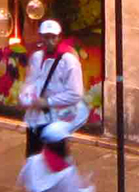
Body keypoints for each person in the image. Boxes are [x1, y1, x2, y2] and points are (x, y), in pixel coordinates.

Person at [19, 19, 88, 157]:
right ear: (41, 37)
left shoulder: (69, 61)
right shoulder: (37, 57)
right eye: (46, 37)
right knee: (34, 160)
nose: (49, 41)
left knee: (55, 163)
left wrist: (47, 102)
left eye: (53, 37)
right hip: (35, 120)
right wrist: (25, 98)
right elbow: (31, 82)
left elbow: (75, 93)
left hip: (55, 121)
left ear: (59, 37)